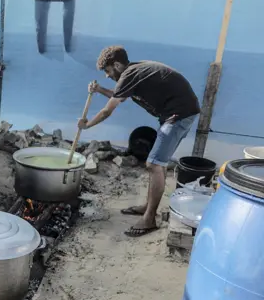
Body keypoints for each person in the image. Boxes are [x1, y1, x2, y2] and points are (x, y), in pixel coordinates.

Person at [77, 46, 200, 237]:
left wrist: (87, 125)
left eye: (108, 71)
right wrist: (99, 89)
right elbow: (119, 96)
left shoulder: (130, 74)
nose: (108, 76)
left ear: (117, 65)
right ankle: (147, 207)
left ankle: (149, 219)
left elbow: (107, 111)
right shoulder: (132, 73)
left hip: (179, 115)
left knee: (154, 163)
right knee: (155, 163)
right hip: (176, 113)